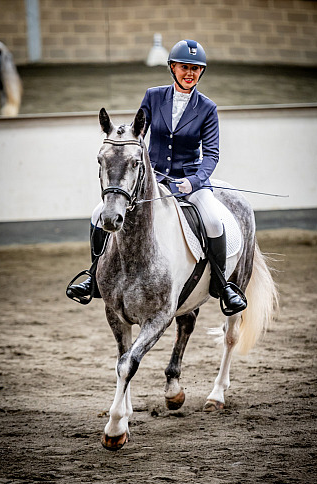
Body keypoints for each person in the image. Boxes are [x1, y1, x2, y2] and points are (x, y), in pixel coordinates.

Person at [67, 39, 246, 315]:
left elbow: (211, 155)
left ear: (201, 73)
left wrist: (194, 181)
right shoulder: (153, 96)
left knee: (212, 220)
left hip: (189, 182)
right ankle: (93, 276)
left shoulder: (208, 108)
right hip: (155, 179)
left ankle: (223, 285)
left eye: (195, 69)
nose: (189, 73)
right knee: (97, 214)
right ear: (172, 67)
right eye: (184, 67)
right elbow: (138, 133)